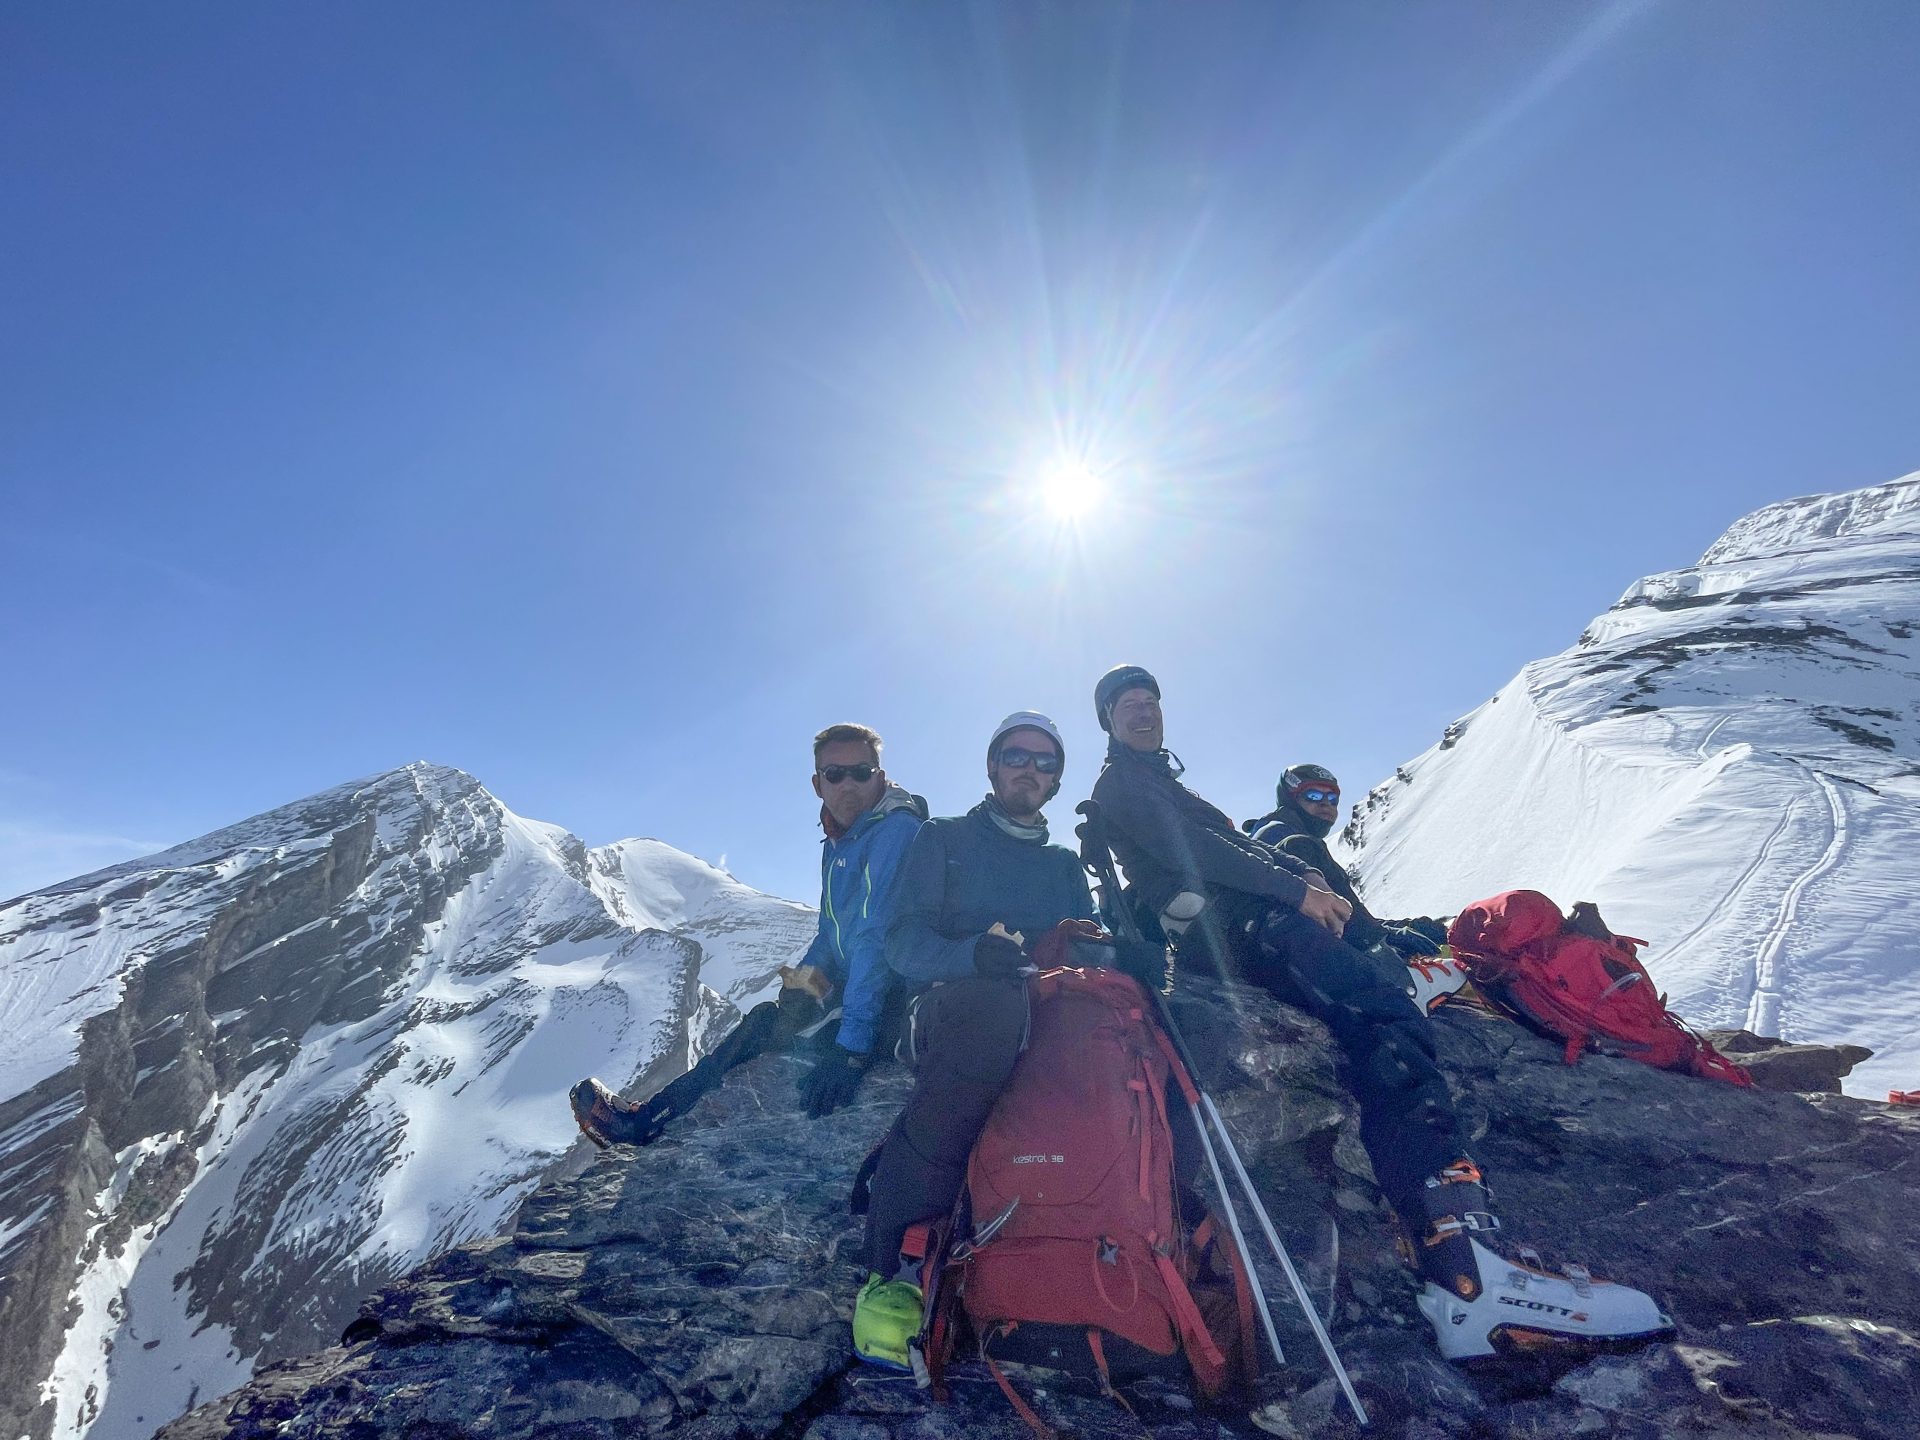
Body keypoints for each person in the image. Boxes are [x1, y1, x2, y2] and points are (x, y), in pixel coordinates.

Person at [1088, 665, 1672, 1362]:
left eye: (1151, 701)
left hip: (1244, 925)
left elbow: (1225, 843)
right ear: (1109, 721)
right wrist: (1295, 892)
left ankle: (1456, 1248)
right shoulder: (1122, 782)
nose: (1144, 711)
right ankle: (1463, 1263)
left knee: (1381, 1011)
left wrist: (1298, 880)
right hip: (1235, 931)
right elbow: (1189, 850)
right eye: (1128, 705)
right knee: (1388, 1017)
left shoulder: (1156, 778)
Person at [852, 711, 1160, 1369]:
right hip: (952, 1005)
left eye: (1046, 762)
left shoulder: (1061, 865)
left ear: (1055, 781)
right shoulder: (943, 839)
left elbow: (1086, 948)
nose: (1031, 769)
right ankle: (893, 1277)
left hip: (1043, 1005)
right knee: (993, 1014)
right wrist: (971, 956)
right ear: (993, 767)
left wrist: (1126, 953)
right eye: (1017, 755)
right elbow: (904, 941)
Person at [570, 722, 926, 1146]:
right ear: (818, 784)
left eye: (861, 772)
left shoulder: (894, 832)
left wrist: (852, 1051)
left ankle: (645, 1122)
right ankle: (651, 1117)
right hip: (867, 990)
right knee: (771, 1021)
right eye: (835, 774)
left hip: (897, 1000)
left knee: (763, 1030)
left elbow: (874, 938)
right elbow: (833, 933)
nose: (848, 784)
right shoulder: (842, 839)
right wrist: (803, 983)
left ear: (880, 777)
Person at [1244, 765, 1447, 960]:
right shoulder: (1283, 838)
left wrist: (1407, 926)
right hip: (1305, 958)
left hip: (1310, 948)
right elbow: (1341, 921)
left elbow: (1350, 916)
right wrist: (1383, 935)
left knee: (1436, 937)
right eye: (1313, 795)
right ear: (1290, 799)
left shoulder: (1289, 834)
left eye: (1332, 798)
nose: (1326, 804)